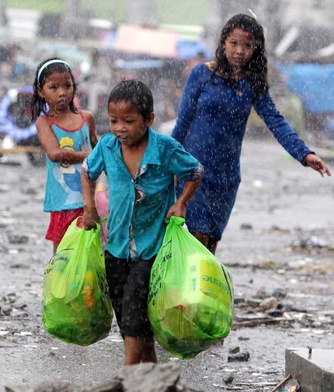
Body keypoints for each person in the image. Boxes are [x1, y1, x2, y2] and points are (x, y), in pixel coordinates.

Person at [171, 13, 331, 255]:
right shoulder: (202, 75)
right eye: (234, 43)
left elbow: (276, 122)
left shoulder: (252, 83)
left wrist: (304, 154)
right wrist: (167, 164)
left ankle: (202, 293)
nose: (239, 51)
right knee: (194, 239)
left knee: (209, 245)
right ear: (223, 42)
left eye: (247, 45)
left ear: (255, 50)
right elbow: (182, 124)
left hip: (226, 178)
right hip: (193, 171)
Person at [81, 80, 204, 365]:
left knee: (135, 304)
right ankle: (149, 370)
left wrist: (181, 202)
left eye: (128, 121)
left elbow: (195, 172)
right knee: (125, 313)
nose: (119, 128)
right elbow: (88, 172)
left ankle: (129, 373)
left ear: (148, 120)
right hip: (116, 245)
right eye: (113, 121)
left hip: (153, 247)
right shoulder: (109, 146)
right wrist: (89, 207)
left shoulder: (165, 149)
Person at [31, 58, 98, 254]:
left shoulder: (86, 118)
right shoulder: (44, 122)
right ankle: (60, 285)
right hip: (63, 202)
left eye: (67, 85)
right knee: (62, 256)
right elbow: (54, 154)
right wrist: (89, 157)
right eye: (54, 87)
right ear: (40, 91)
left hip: (90, 200)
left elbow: (101, 151)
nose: (62, 92)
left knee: (90, 254)